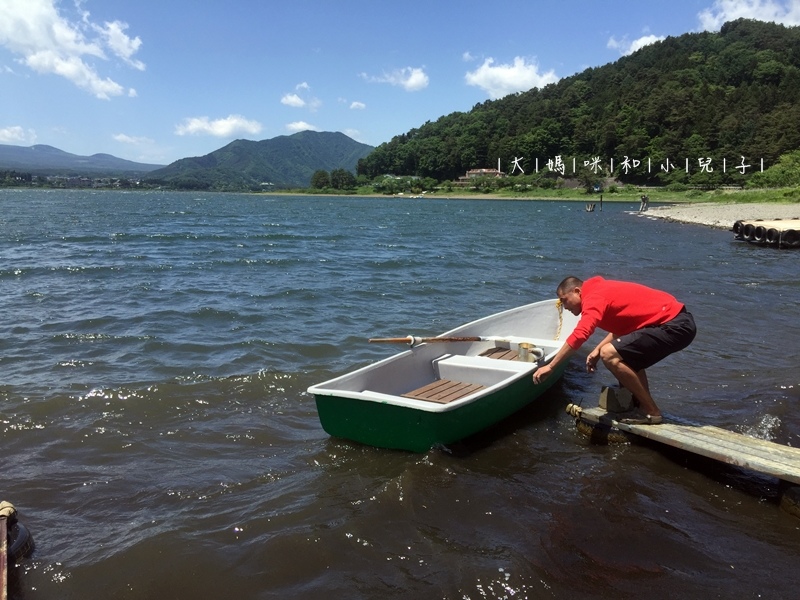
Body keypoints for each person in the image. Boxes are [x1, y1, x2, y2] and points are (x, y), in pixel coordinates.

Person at [533, 276, 696, 424]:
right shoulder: (599, 291)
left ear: (577, 291)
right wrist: (596, 350)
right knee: (621, 354)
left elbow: (581, 333)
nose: (564, 306)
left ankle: (652, 411)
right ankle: (642, 410)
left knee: (609, 354)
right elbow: (624, 327)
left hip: (674, 325)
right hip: (675, 323)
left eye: (565, 300)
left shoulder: (593, 296)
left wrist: (551, 366)